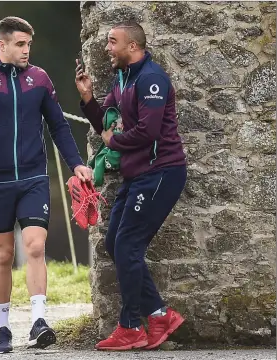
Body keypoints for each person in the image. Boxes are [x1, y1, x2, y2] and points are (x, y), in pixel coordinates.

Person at [0, 16, 92, 353]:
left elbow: (59, 126)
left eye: (28, 44)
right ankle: (3, 329)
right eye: (19, 44)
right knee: (3, 255)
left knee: (35, 247)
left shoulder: (39, 79)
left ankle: (38, 321)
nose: (26, 50)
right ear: (2, 44)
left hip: (33, 177)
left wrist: (76, 163)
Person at [74, 21, 187, 351]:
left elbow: (149, 132)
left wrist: (115, 140)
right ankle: (158, 314)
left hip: (161, 173)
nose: (107, 48)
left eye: (113, 42)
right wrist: (87, 98)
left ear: (133, 47)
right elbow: (105, 122)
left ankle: (130, 327)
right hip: (138, 174)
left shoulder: (151, 78)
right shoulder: (123, 78)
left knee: (127, 245)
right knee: (115, 243)